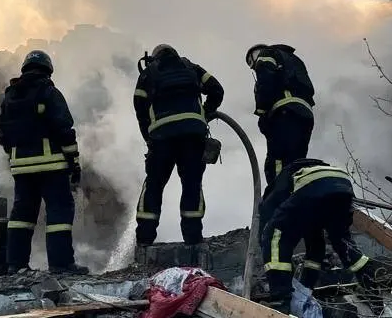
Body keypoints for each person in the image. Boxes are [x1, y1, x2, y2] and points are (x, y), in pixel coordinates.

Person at [0, 49, 88, 276]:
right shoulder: (49, 92)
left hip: (21, 168)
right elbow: (65, 130)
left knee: (22, 215)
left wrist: (16, 157)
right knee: (59, 212)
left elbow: (3, 136)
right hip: (52, 166)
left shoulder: (10, 97)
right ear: (48, 70)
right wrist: (74, 162)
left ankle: (15, 265)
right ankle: (60, 264)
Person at [133, 43, 224, 250]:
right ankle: (193, 239)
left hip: (161, 138)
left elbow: (140, 107)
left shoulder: (148, 73)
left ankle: (144, 239)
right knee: (192, 184)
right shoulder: (191, 67)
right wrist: (204, 114)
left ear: (154, 57)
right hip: (193, 137)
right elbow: (217, 90)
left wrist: (149, 138)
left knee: (153, 186)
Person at [257, 157, 375, 309]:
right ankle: (373, 290)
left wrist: (264, 242)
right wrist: (306, 288)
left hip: (313, 185)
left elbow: (268, 228)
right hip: (343, 184)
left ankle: (280, 300)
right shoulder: (302, 200)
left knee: (273, 236)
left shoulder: (273, 193)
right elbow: (316, 248)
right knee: (341, 240)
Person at [245, 43, 315, 188]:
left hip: (284, 112)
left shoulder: (266, 54)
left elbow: (266, 82)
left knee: (277, 162)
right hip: (305, 115)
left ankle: (279, 195)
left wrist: (263, 113)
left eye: (251, 61)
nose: (253, 66)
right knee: (296, 162)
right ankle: (295, 193)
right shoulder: (292, 59)